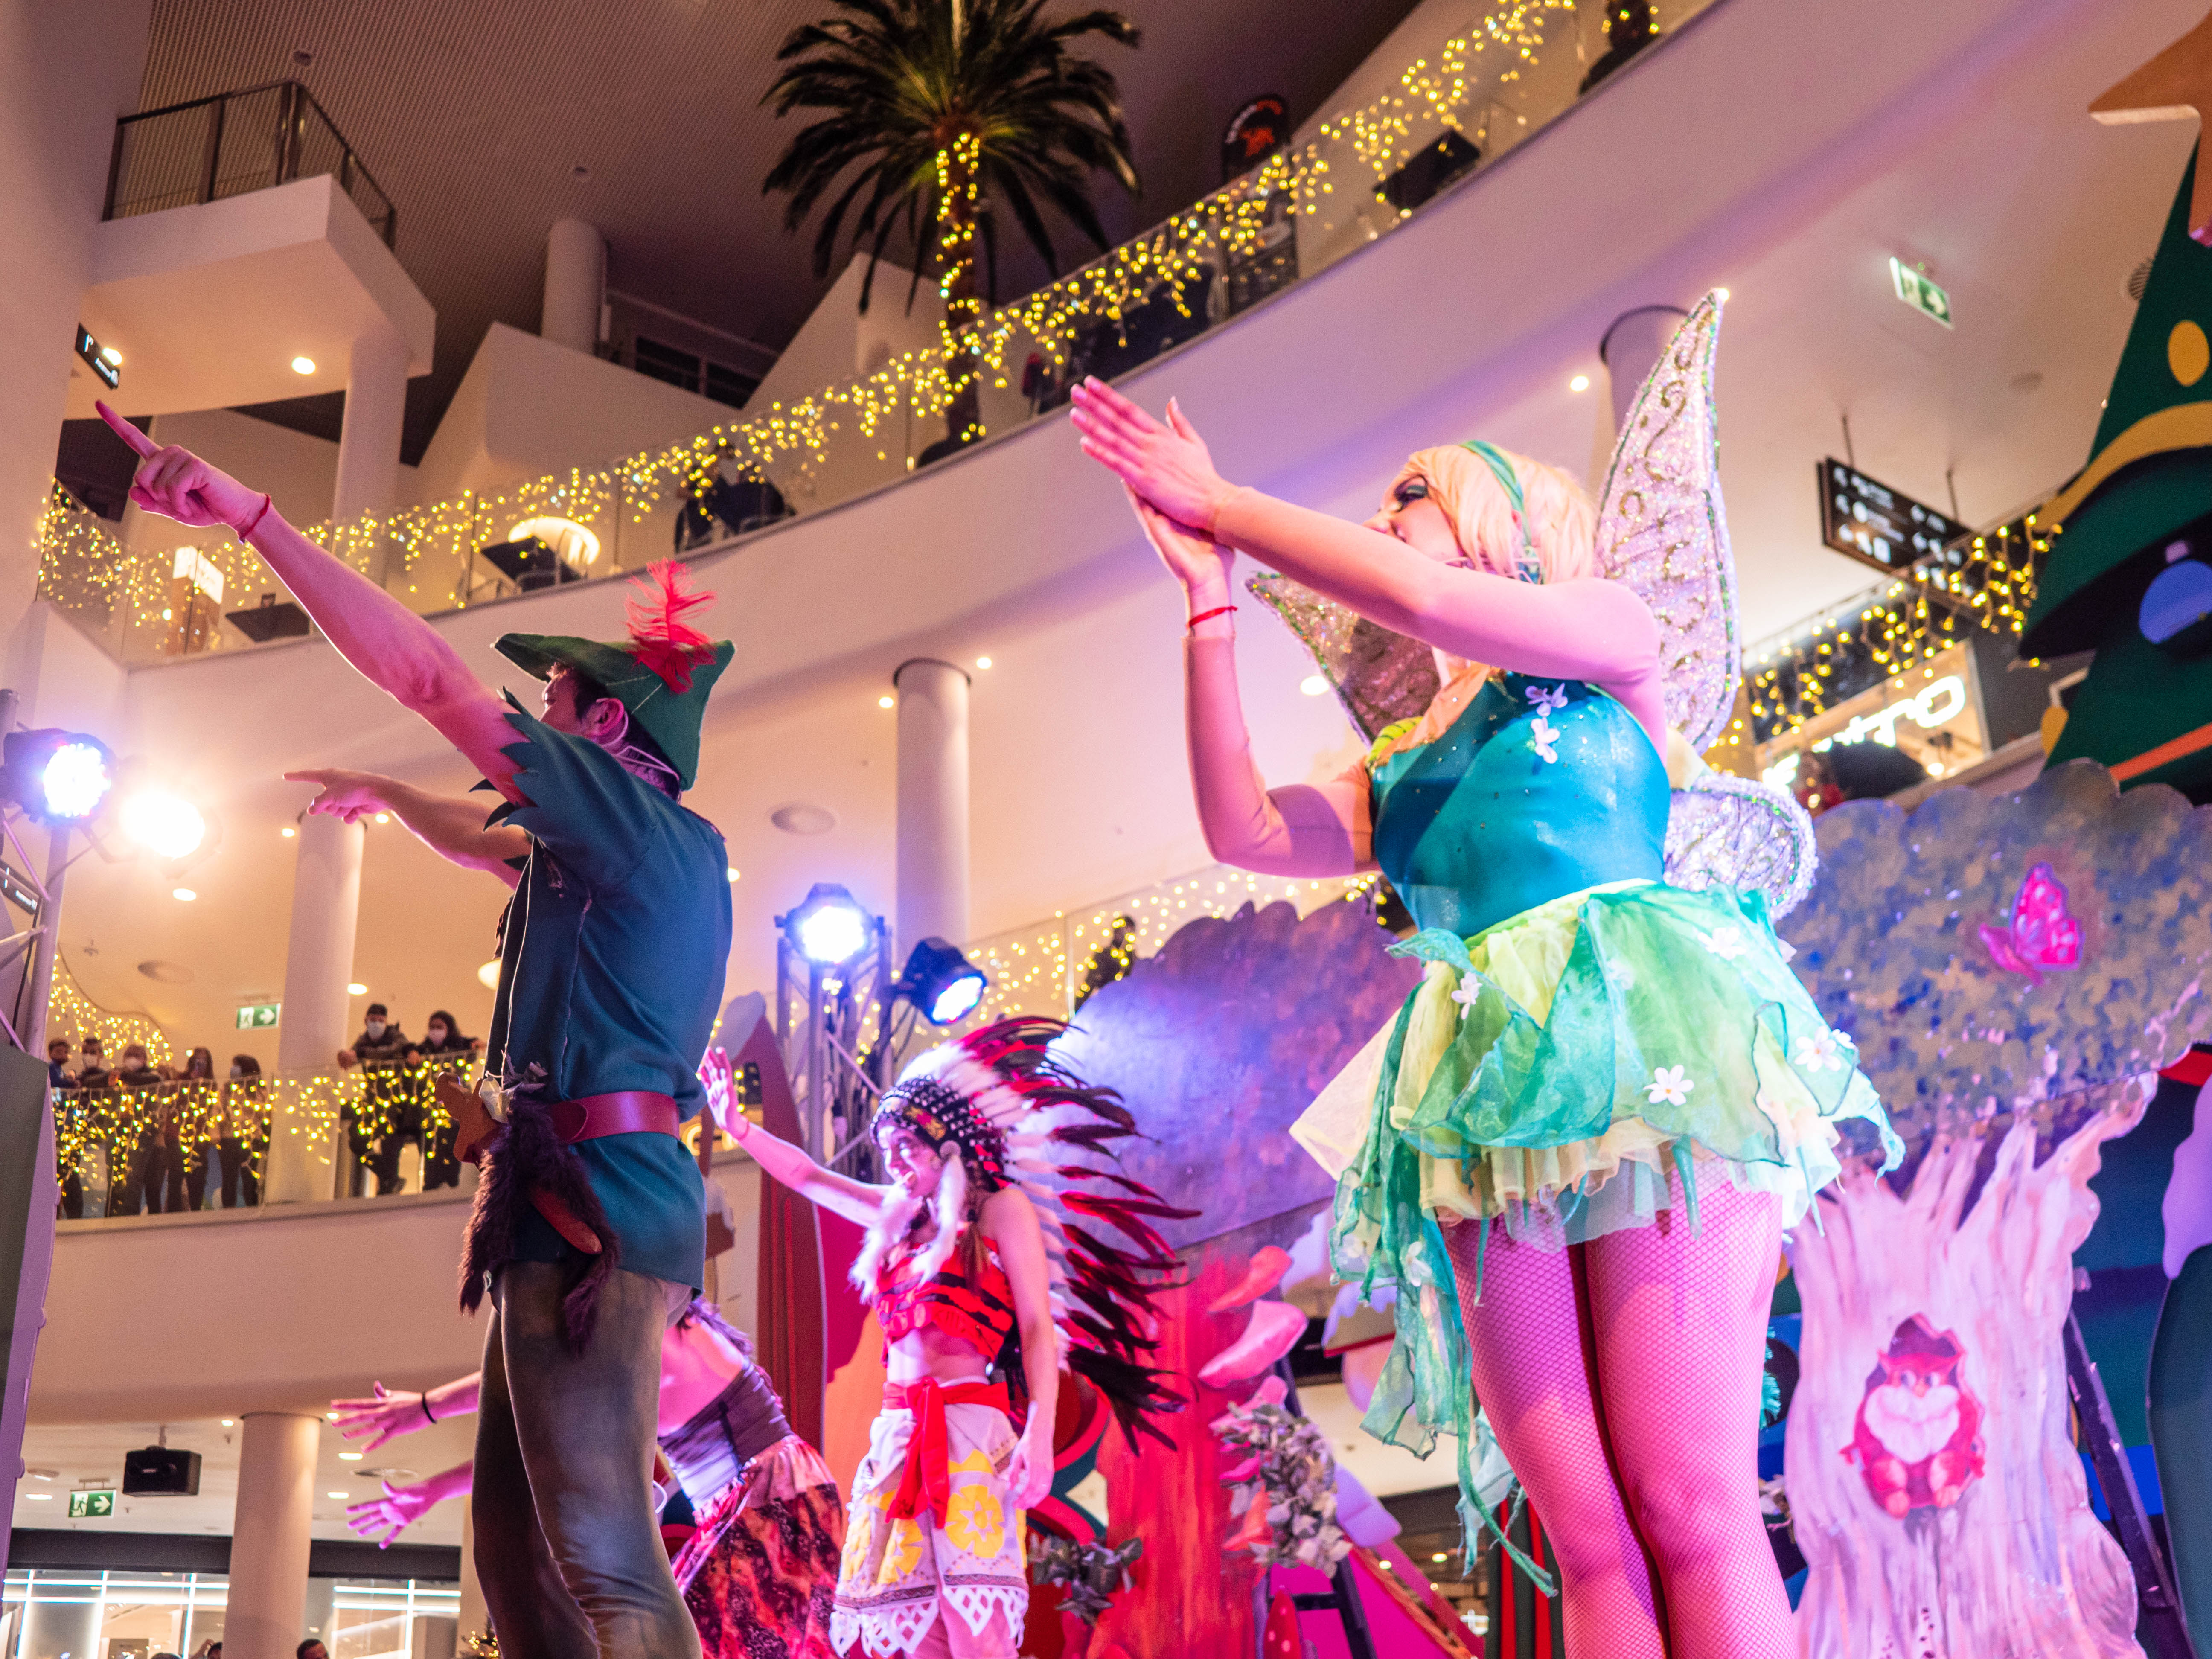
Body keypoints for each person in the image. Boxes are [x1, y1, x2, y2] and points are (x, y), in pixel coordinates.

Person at [1068, 373, 1898, 1657]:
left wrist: (1225, 503)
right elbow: (1239, 824)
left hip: (1646, 1051)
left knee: (1690, 1501)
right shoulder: (1398, 762)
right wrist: (1206, 602)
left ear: (1514, 530)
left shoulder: (1606, 637)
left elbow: (1425, 601)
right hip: (1484, 1098)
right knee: (1590, 1538)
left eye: (1415, 494)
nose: (1389, 515)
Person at [102, 394, 736, 1659]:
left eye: (555, 703)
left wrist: (253, 520)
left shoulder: (626, 823)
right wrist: (392, 794)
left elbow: (430, 676)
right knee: (519, 1554)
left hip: (600, 1203)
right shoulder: (610, 855)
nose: (537, 725)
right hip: (576, 1196)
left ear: (608, 729)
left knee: (607, 1556)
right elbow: (476, 835)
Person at [724, 1018, 1186, 1659]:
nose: (894, 1164)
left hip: (970, 1428)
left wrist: (1041, 1438)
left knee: (978, 1626)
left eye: (907, 1148)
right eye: (887, 1152)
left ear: (950, 1147)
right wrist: (740, 1129)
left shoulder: (1000, 1210)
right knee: (911, 1632)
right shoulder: (898, 1214)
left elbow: (1036, 1328)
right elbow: (809, 1179)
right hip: (897, 1437)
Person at [335, 1293, 843, 1658]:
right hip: (756, 1500)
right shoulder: (647, 1334)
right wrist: (430, 1482)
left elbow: (537, 1376)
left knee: (682, 1635)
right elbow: (544, 1425)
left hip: (775, 1498)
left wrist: (428, 1411)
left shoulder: (660, 1339)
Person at [339, 1003, 410, 1197]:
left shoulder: (396, 1038)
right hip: (373, 1103)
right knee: (357, 1141)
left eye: (380, 1021)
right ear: (366, 1021)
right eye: (373, 1020)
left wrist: (360, 1054)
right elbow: (353, 1056)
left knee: (391, 1147)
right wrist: (345, 1057)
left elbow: (393, 1049)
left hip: (396, 1104)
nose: (376, 1024)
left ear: (386, 1022)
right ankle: (389, 1177)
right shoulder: (362, 1041)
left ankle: (388, 1187)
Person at [416, 1009, 478, 1190]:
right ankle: (431, 1184)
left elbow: (471, 1048)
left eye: (440, 1027)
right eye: (432, 1027)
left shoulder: (459, 1048)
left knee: (451, 1145)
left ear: (449, 1029)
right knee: (432, 1149)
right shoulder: (425, 1051)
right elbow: (410, 1052)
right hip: (431, 1112)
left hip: (453, 1111)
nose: (435, 1031)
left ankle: (451, 1182)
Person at [214, 1054, 268, 1209]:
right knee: (229, 1179)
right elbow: (217, 1111)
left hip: (250, 1140)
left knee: (249, 1179)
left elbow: (262, 1112)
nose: (233, 1069)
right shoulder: (226, 1089)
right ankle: (228, 1212)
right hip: (228, 1140)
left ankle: (252, 1210)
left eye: (236, 1066)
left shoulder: (259, 1091)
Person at [173, 1047, 219, 1211]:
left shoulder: (211, 1084)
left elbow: (212, 1110)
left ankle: (196, 1210)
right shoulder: (182, 1080)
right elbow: (176, 1103)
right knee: (177, 1179)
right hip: (181, 1136)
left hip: (200, 1139)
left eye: (204, 1061)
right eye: (198, 1060)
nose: (201, 1064)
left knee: (197, 1179)